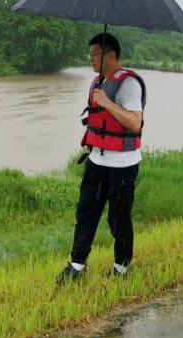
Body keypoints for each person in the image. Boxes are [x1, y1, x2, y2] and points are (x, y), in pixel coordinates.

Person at [57, 33, 145, 283]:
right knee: (86, 212)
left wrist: (107, 102)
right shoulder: (97, 82)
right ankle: (76, 266)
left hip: (122, 165)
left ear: (110, 55)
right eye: (90, 54)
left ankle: (122, 268)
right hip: (96, 160)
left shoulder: (129, 84)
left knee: (119, 218)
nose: (90, 59)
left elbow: (134, 122)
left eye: (95, 53)